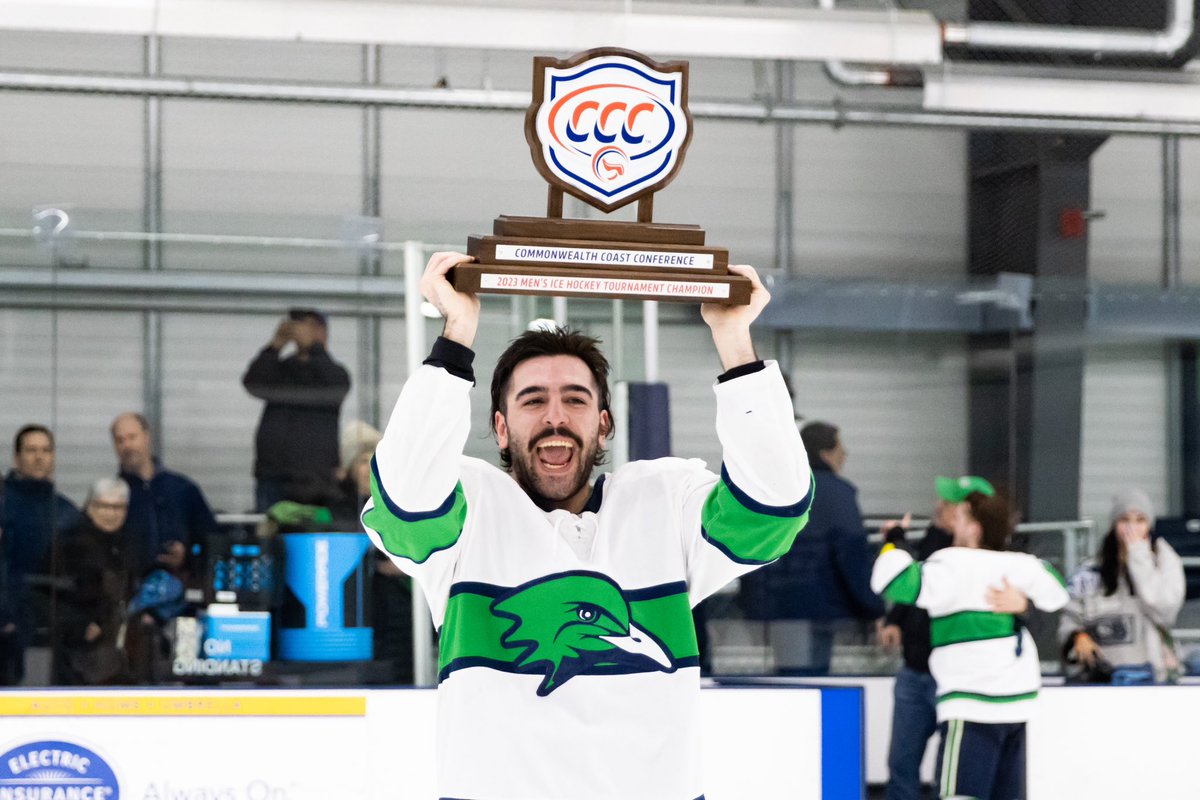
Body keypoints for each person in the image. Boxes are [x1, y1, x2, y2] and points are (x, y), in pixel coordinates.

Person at [361, 252, 812, 799]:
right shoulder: (470, 511)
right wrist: (456, 337)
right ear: (500, 429)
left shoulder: (663, 501)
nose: (555, 417)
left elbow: (774, 510)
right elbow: (404, 498)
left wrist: (735, 342)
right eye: (533, 401)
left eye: (575, 399)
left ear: (604, 426)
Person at [871, 489, 1068, 800]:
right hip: (1017, 705)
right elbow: (1058, 593)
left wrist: (894, 540)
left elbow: (891, 580)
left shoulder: (951, 564)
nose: (953, 522)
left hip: (972, 706)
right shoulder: (1020, 565)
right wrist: (1025, 601)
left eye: (960, 516)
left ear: (974, 528)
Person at [738, 420, 883, 675]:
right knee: (812, 685)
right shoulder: (837, 495)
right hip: (820, 610)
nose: (845, 453)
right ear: (825, 453)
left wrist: (752, 602)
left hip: (775, 611)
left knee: (790, 682)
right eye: (840, 447)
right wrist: (873, 607)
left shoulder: (773, 490)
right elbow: (851, 557)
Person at [1059, 487, 1184, 685]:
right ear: (1114, 524)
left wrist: (1139, 557)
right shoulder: (1090, 571)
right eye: (1125, 520)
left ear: (1149, 525)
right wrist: (1077, 636)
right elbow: (1069, 620)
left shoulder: (1166, 562)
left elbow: (1164, 610)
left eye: (1140, 520)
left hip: (1154, 677)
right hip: (1100, 678)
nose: (1131, 528)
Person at [242, 309, 351, 511]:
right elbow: (252, 383)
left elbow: (337, 388)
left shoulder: (333, 372)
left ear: (321, 331)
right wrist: (275, 346)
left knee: (312, 532)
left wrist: (315, 348)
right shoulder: (282, 369)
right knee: (271, 534)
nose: (299, 330)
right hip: (273, 474)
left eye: (306, 325)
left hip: (316, 479)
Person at [1, 424, 81, 685]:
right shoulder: (4, 503)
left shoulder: (66, 512)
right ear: (17, 458)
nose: (39, 456)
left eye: (46, 450)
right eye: (31, 450)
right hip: (7, 624)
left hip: (52, 629)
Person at [50, 477, 135, 686]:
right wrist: (80, 625)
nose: (111, 514)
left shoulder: (130, 544)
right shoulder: (69, 544)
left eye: (118, 508)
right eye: (104, 506)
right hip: (77, 649)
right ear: (90, 506)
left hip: (120, 647)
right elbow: (47, 594)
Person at [111, 413, 217, 577]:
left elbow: (211, 539)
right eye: (120, 440)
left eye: (132, 437)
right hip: (131, 590)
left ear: (146, 437)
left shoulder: (182, 489)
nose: (127, 445)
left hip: (181, 586)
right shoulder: (111, 496)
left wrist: (186, 554)